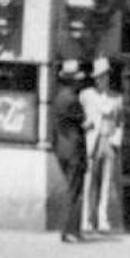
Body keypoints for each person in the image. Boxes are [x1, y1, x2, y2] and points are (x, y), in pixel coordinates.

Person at [80, 57, 124, 236]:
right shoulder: (86, 95)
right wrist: (86, 125)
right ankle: (86, 218)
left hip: (108, 140)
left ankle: (102, 218)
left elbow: (120, 122)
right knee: (89, 181)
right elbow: (80, 115)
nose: (102, 80)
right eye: (99, 76)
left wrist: (116, 141)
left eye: (105, 76)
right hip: (92, 140)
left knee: (106, 182)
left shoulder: (116, 98)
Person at [50, 61, 87, 241]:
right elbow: (82, 121)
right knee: (74, 191)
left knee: (70, 189)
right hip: (74, 149)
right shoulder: (72, 99)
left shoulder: (59, 97)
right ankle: (69, 230)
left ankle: (69, 229)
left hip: (62, 148)